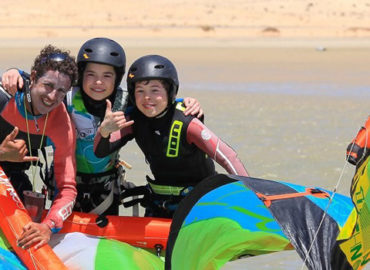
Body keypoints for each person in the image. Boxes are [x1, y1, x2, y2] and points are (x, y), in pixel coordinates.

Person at [1, 38, 203, 216]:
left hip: (105, 188)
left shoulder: (125, 102)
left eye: (107, 75)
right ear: (80, 75)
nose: (98, 82)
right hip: (63, 181)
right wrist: (13, 72)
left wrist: (185, 102)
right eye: (91, 74)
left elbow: (156, 105)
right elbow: (37, 83)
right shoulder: (66, 95)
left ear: (117, 78)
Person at [94, 54, 249, 218]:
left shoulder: (187, 121)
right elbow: (100, 151)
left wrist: (249, 197)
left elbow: (228, 158)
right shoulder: (134, 120)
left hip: (200, 204)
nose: (147, 97)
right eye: (140, 91)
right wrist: (103, 131)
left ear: (170, 91)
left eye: (155, 90)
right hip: (160, 204)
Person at [0, 45, 78, 249]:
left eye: (61, 91)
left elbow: (68, 189)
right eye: (48, 85)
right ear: (33, 77)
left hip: (12, 181)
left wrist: (48, 226)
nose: (52, 97)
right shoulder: (4, 98)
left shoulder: (62, 124)